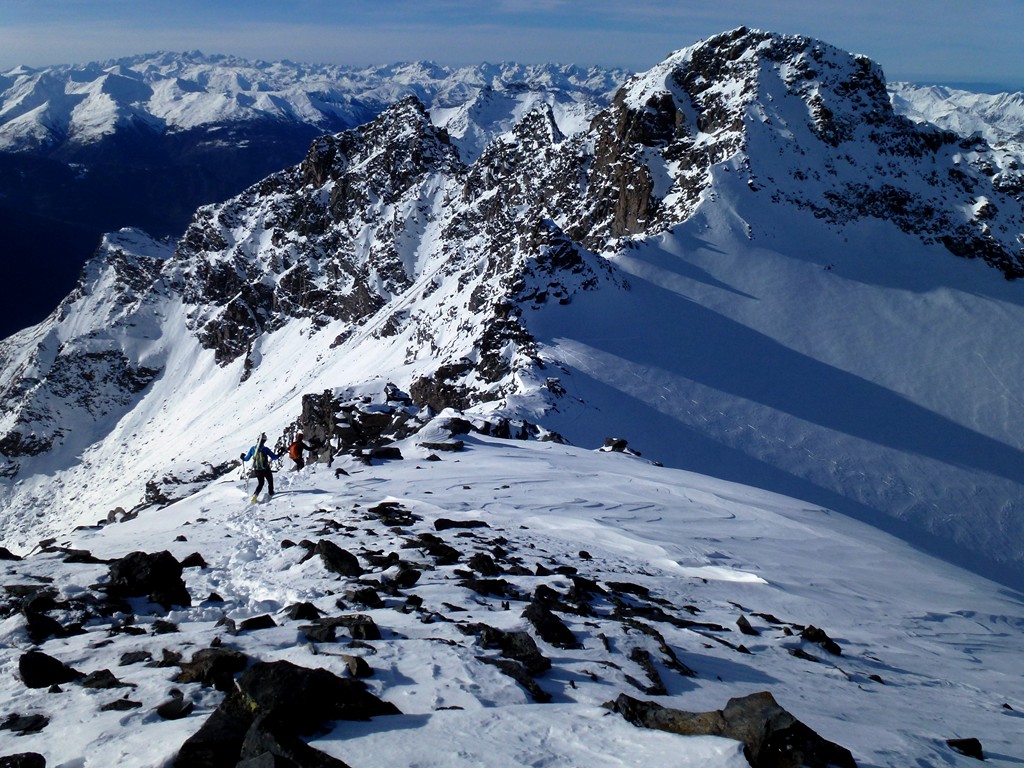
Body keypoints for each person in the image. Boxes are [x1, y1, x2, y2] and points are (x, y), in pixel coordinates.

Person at [240, 432, 279, 503]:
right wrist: (280, 453)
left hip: (257, 470)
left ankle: (255, 495)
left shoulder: (252, 449)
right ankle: (271, 493)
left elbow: (246, 459)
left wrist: (242, 457)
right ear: (264, 441)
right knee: (270, 481)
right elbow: (274, 457)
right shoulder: (265, 449)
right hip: (266, 468)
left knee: (261, 483)